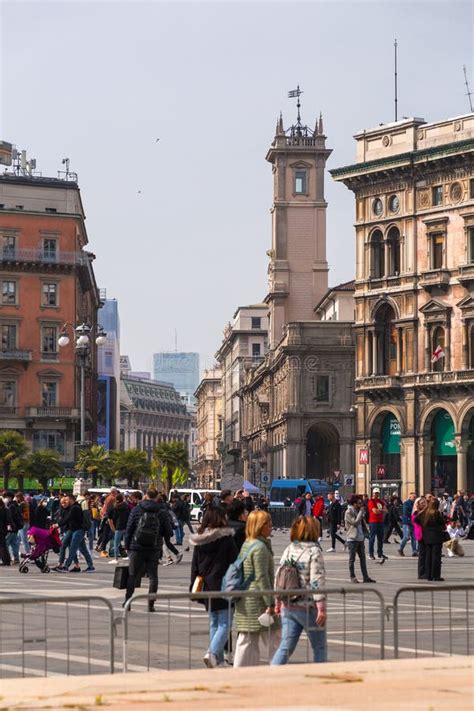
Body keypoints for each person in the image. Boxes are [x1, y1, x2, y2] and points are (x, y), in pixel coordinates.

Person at [271, 515, 327, 665]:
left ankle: (272, 672)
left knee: (285, 646)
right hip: (307, 606)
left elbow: (280, 576)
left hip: (288, 604)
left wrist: (277, 602)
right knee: (319, 647)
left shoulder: (290, 548)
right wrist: (321, 608)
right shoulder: (314, 551)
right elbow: (317, 580)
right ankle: (322, 679)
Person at [190, 507, 238, 668]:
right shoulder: (226, 539)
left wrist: (193, 586)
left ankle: (216, 659)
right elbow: (234, 563)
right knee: (225, 623)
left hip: (206, 585)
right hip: (224, 585)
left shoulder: (200, 540)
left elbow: (194, 565)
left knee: (214, 622)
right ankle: (212, 653)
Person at [233, 511, 280, 667]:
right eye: (267, 523)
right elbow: (262, 577)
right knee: (274, 639)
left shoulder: (248, 543)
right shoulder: (259, 547)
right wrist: (270, 603)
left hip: (247, 599)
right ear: (259, 526)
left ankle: (242, 670)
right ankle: (278, 668)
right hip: (257, 601)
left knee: (247, 639)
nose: (271, 526)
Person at [123, 488, 174, 611]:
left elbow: (129, 529)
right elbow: (169, 532)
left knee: (132, 575)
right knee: (153, 576)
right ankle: (151, 604)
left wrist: (127, 546)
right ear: (157, 497)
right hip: (154, 547)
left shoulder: (136, 509)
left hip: (137, 547)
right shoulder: (162, 512)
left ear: (145, 496)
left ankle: (128, 601)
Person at [58, 494, 95, 573]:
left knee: (73, 548)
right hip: (74, 530)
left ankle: (66, 566)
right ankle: (90, 566)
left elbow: (68, 518)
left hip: (78, 530)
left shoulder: (75, 508)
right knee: (83, 549)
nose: (66, 502)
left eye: (67, 500)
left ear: (71, 500)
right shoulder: (72, 507)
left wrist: (58, 525)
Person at [344, 495, 376, 584]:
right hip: (352, 539)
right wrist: (360, 513)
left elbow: (362, 523)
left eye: (361, 503)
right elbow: (354, 522)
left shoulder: (359, 511)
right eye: (359, 503)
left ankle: (365, 577)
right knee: (352, 559)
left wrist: (366, 534)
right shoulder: (348, 512)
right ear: (354, 504)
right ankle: (352, 576)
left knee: (363, 558)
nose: (361, 505)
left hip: (360, 538)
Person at [416, 498, 446, 581]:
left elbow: (416, 519)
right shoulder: (437, 513)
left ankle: (428, 575)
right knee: (436, 557)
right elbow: (442, 523)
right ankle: (435, 576)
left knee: (428, 557)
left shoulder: (425, 513)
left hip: (427, 538)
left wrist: (423, 526)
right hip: (436, 537)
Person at [107, 493, 130, 564]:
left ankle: (116, 558)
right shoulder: (126, 506)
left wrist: (112, 528)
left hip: (118, 526)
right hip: (126, 526)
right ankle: (129, 555)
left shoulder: (114, 507)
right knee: (127, 542)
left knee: (116, 543)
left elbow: (110, 518)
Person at [367, 488, 387, 562]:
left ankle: (380, 553)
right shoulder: (371, 501)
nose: (376, 494)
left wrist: (380, 511)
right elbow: (375, 511)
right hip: (373, 522)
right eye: (375, 493)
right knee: (372, 538)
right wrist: (381, 511)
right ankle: (371, 554)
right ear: (373, 493)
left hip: (380, 522)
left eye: (377, 493)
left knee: (380, 538)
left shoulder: (380, 501)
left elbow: (386, 510)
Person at [412, 496, 428, 579]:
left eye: (425, 502)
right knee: (422, 554)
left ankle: (426, 571)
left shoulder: (425, 512)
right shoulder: (416, 513)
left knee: (426, 554)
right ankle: (421, 573)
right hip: (420, 534)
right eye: (422, 503)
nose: (424, 504)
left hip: (426, 534)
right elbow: (417, 522)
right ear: (418, 504)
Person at [398, 493, 417, 557]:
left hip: (413, 522)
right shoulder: (406, 503)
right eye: (413, 497)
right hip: (407, 522)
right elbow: (405, 513)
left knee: (414, 537)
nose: (414, 498)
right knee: (406, 537)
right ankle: (400, 549)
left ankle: (414, 551)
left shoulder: (415, 504)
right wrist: (413, 514)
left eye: (415, 497)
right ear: (410, 497)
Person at [0, 498, 12, 566]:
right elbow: (8, 520)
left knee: (2, 546)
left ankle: (5, 560)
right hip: (4, 530)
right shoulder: (5, 509)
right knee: (3, 545)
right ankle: (7, 560)